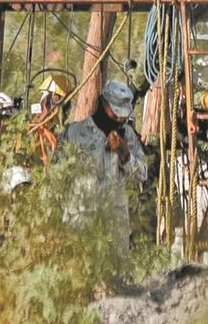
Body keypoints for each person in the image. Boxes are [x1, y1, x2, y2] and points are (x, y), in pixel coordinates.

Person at [59, 80, 147, 252]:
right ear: (103, 104)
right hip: (81, 226)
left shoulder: (127, 135)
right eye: (115, 115)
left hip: (114, 231)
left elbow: (142, 174)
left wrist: (125, 156)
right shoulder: (75, 133)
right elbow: (56, 178)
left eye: (123, 117)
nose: (119, 120)